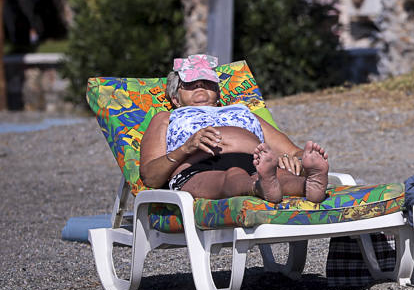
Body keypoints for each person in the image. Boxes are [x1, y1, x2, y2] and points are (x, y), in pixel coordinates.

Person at [140, 54, 329, 204]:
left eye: (207, 81)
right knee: (232, 176)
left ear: (217, 93)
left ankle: (309, 186)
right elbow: (150, 176)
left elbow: (294, 152)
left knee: (282, 176)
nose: (199, 84)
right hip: (196, 168)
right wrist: (185, 148)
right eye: (189, 83)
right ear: (175, 99)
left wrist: (295, 160)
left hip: (256, 163)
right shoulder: (166, 118)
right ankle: (259, 187)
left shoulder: (242, 111)